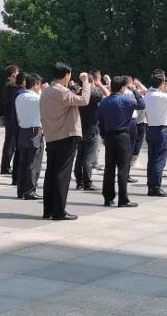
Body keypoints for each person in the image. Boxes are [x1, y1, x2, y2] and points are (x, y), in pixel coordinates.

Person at [40, 63, 92, 221]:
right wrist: (85, 82)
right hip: (66, 136)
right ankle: (59, 211)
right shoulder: (61, 91)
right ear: (66, 75)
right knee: (62, 174)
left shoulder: (46, 91)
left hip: (51, 137)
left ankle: (48, 210)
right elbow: (84, 100)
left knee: (51, 174)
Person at [97, 76, 146, 208]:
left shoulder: (104, 102)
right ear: (122, 88)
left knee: (109, 168)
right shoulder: (125, 100)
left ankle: (108, 198)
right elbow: (141, 104)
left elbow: (100, 121)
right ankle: (123, 199)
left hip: (109, 136)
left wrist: (103, 136)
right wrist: (134, 90)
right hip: (123, 136)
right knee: (123, 168)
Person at [74, 70, 107, 191]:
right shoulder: (94, 94)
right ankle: (87, 182)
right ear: (91, 82)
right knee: (88, 158)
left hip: (80, 128)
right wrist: (98, 84)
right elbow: (108, 94)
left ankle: (79, 182)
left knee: (80, 156)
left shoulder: (78, 94)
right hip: (92, 129)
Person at [15, 74, 44, 200]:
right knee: (33, 162)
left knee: (23, 162)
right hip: (34, 131)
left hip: (23, 130)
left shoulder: (19, 97)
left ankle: (21, 190)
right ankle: (30, 191)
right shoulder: (36, 98)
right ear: (36, 85)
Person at [0, 65, 21, 177]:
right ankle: (5, 167)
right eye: (17, 73)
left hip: (10, 116)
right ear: (13, 74)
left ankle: (6, 166)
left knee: (10, 142)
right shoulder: (11, 85)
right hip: (11, 117)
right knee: (10, 143)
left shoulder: (8, 85)